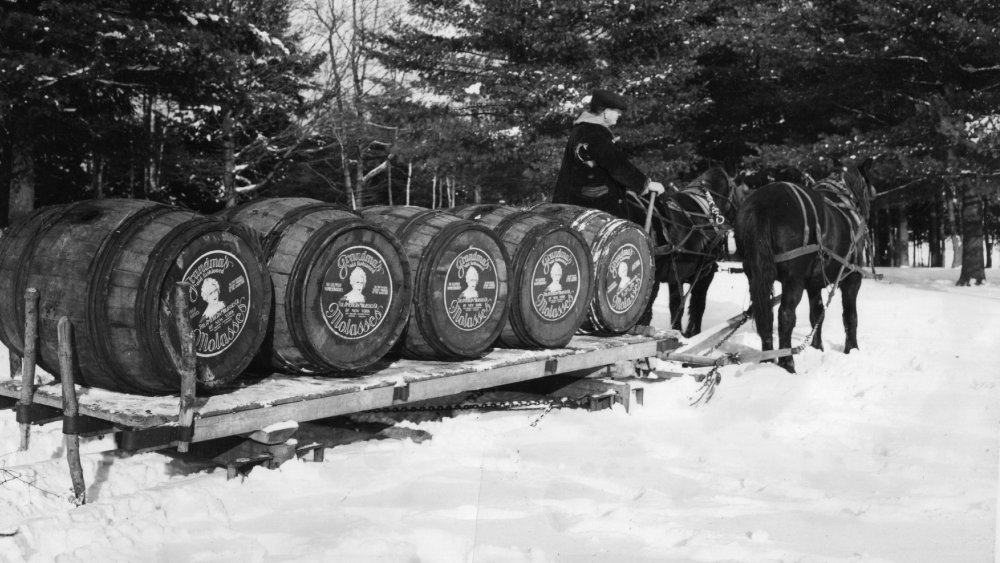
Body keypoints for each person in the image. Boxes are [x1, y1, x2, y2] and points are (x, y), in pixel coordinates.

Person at [552, 89, 667, 222]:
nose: (619, 115)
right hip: (596, 209)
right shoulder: (595, 133)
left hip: (576, 204)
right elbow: (617, 165)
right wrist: (645, 185)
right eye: (617, 112)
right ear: (606, 112)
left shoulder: (581, 130)